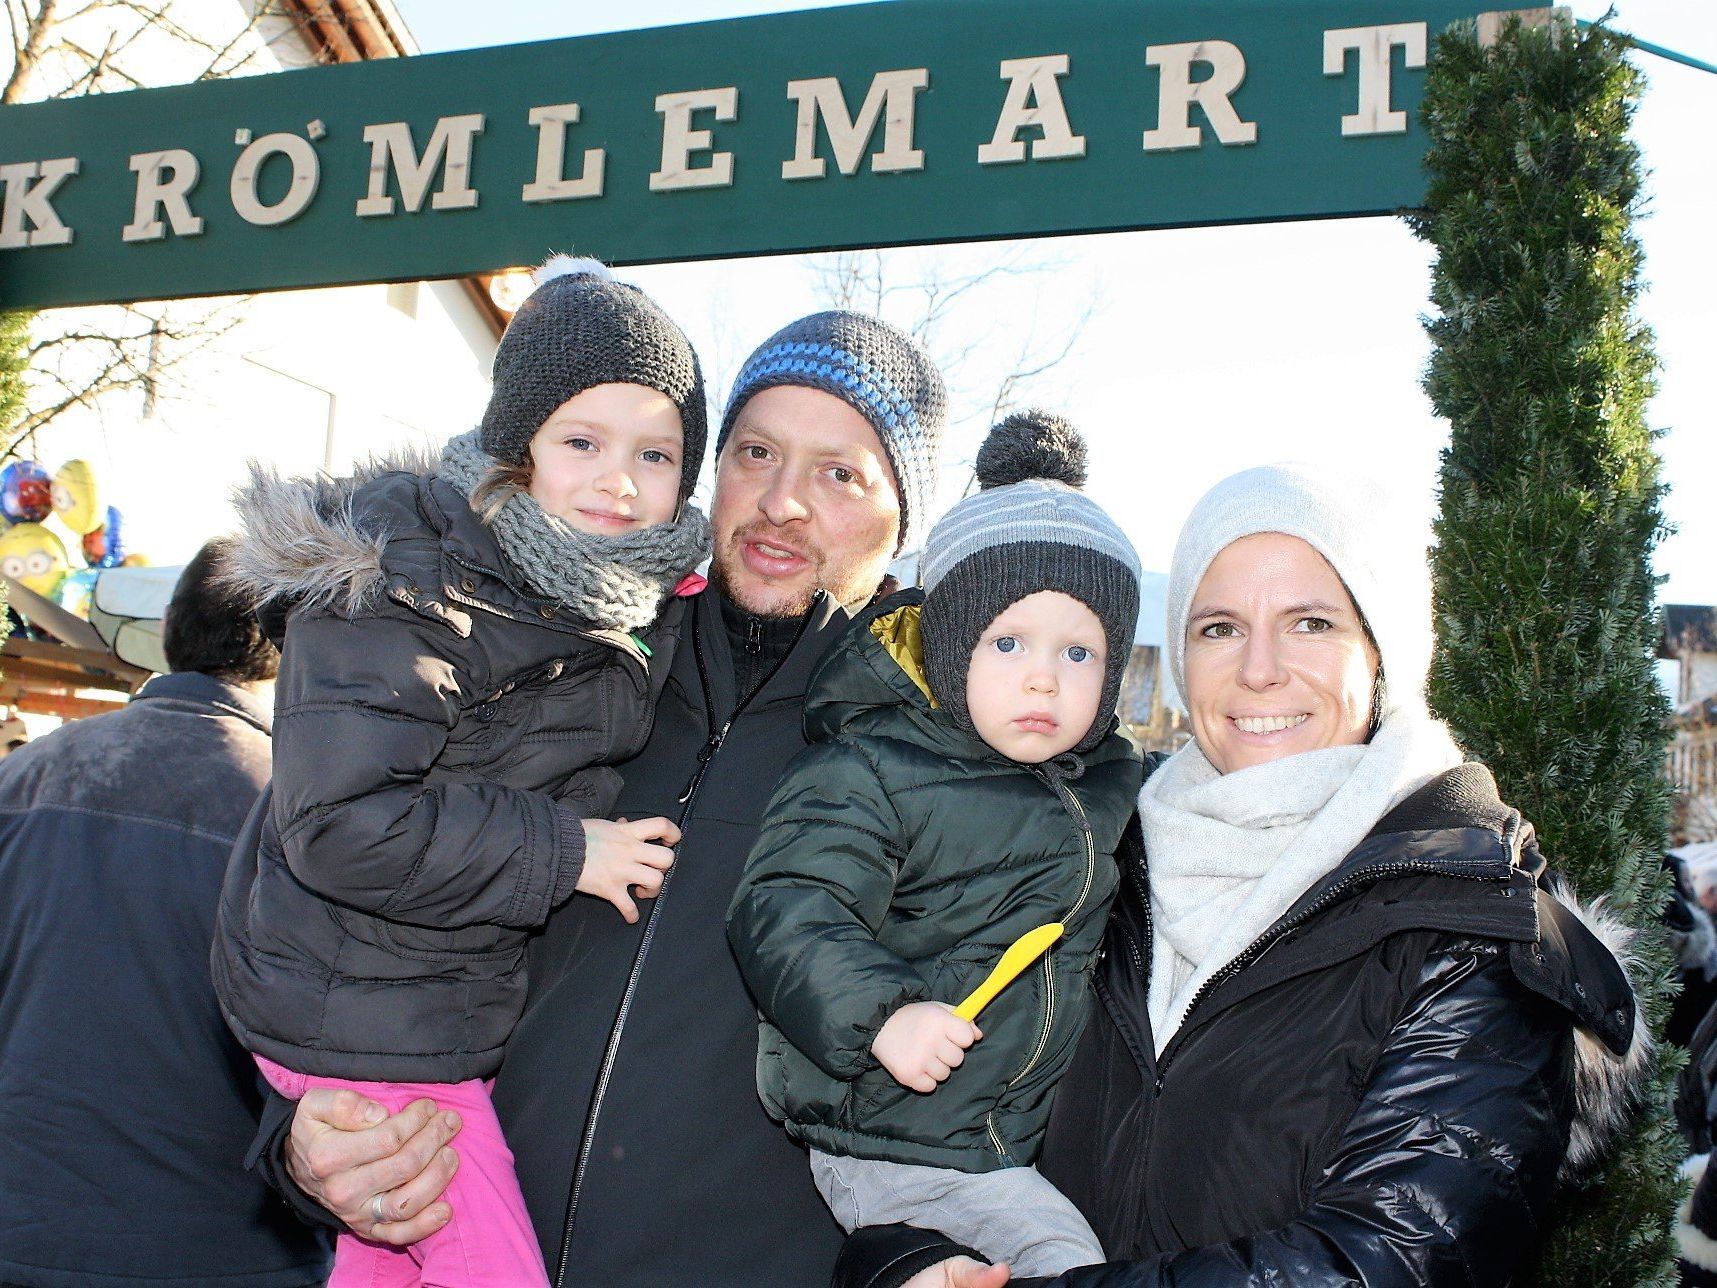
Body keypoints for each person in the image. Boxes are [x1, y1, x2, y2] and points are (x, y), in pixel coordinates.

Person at [243, 310, 949, 1285]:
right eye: (756, 452)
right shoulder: (560, 651)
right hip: (456, 1234)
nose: (784, 501)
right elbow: (316, 881)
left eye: (840, 473)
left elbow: (996, 1093)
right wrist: (301, 1144)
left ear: (903, 519)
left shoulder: (933, 758)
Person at [836, 462, 1646, 1288]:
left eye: (1310, 623)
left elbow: (1394, 1257)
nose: (1258, 669)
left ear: (1381, 651)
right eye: (1218, 626)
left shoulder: (1471, 927)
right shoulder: (1087, 866)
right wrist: (906, 1263)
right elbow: (914, 1138)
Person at [210, 257, 712, 1288]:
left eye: (656, 453)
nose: (619, 479)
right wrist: (566, 849)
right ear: (515, 447)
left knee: (390, 1260)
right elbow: (342, 820)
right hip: (366, 1012)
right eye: (582, 440)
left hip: (418, 1011)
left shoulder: (605, 604)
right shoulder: (417, 578)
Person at [728, 411, 1144, 1276]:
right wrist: (883, 1015)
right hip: (888, 1132)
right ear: (951, 649)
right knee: (1063, 1262)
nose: (1043, 675)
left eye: (1079, 650)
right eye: (1007, 642)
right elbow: (784, 906)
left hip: (992, 1136)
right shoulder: (873, 767)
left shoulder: (1107, 780)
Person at [0, 540, 331, 1288]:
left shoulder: (21, 776)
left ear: (171, 632)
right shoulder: (305, 814)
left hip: (26, 1229)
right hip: (219, 1247)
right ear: (296, 654)